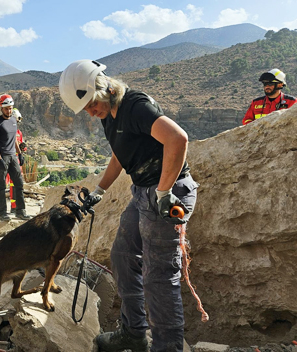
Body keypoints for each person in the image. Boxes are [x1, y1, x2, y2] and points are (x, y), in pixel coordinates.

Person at [59, 59, 198, 352]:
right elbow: (121, 155)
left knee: (159, 276)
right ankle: (134, 333)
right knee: (122, 255)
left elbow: (177, 139)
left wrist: (164, 191)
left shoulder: (135, 105)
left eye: (90, 104)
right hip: (144, 193)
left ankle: (167, 348)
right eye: (85, 109)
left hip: (167, 194)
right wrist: (99, 189)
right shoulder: (110, 115)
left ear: (103, 86)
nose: (90, 112)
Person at [0, 94, 31, 221]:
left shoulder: (13, 121)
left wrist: (20, 154)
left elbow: (15, 141)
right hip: (2, 157)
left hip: (13, 157)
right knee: (2, 186)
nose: (9, 110)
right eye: (7, 108)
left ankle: (20, 211)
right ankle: (2, 212)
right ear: (1, 108)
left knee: (19, 184)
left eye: (11, 108)